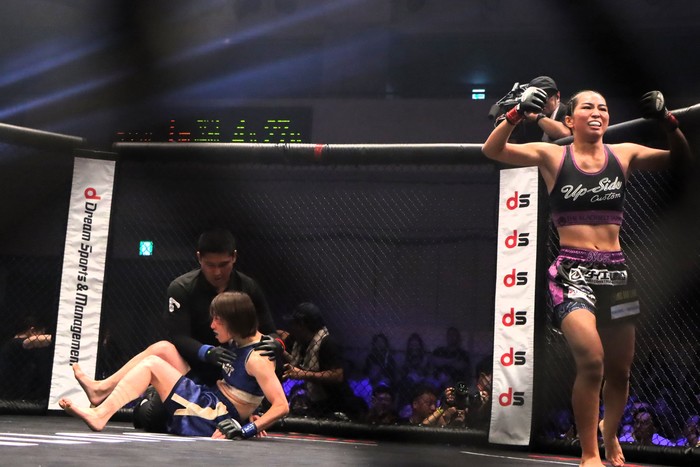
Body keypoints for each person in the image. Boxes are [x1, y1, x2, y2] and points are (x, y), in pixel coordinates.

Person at [482, 88, 692, 467]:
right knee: (593, 361)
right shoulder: (553, 155)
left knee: (620, 370)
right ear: (569, 119)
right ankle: (589, 452)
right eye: (588, 107)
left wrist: (668, 121)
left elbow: (681, 159)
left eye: (604, 108)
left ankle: (610, 434)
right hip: (572, 272)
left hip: (616, 272)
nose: (597, 113)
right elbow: (493, 150)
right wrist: (515, 115)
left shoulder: (623, 153)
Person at [59, 292, 289, 439]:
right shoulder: (238, 340)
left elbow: (281, 406)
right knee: (163, 349)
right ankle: (100, 390)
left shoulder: (257, 358)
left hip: (212, 414)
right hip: (212, 398)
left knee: (152, 365)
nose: (212, 325)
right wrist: (251, 414)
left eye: (217, 320)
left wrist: (246, 428)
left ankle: (100, 415)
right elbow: (249, 388)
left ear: (233, 321)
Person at [166, 228, 280, 387]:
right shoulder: (182, 288)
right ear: (199, 258)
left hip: (238, 372)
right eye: (210, 265)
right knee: (162, 350)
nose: (217, 272)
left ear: (234, 257)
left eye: (223, 264)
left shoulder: (248, 287)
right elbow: (178, 336)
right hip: (193, 368)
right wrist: (207, 352)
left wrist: (277, 343)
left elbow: (269, 331)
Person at [280, 301, 366, 421]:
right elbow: (282, 334)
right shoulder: (302, 342)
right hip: (318, 405)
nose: (292, 328)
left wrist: (303, 374)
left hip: (339, 404)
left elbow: (337, 375)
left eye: (294, 324)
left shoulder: (327, 343)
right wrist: (277, 344)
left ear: (302, 324)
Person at [495, 76, 571, 143]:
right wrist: (509, 123)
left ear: (557, 96)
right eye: (536, 96)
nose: (542, 101)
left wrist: (537, 117)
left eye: (546, 95)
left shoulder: (568, 111)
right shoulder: (528, 120)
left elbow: (565, 134)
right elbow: (513, 146)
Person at [0, 316, 53, 401]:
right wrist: (58, 339)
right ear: (32, 331)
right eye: (42, 333)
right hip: (10, 395)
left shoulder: (11, 344)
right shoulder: (15, 344)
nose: (43, 335)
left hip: (14, 394)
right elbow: (28, 342)